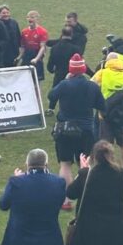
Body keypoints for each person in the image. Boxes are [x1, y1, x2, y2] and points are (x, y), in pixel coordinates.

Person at [47, 53, 104, 190]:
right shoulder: (92, 86)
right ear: (84, 69)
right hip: (86, 130)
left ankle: (66, 199)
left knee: (65, 164)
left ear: (70, 70)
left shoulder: (64, 85)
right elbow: (102, 106)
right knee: (85, 164)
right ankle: (86, 195)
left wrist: (65, 80)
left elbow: (51, 95)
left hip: (65, 129)